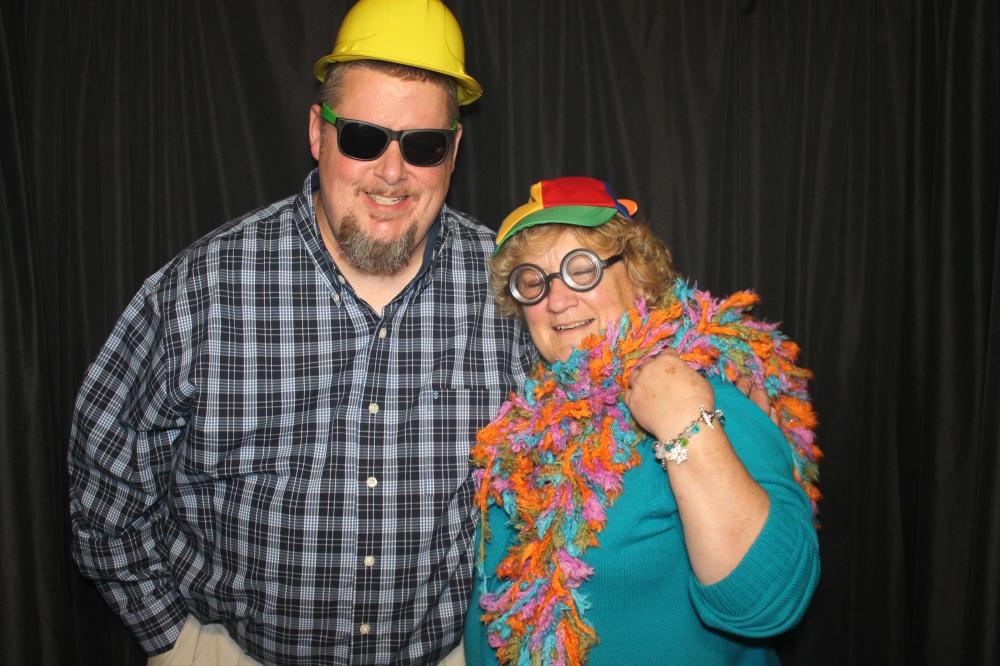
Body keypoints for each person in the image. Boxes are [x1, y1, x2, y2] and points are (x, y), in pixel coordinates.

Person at [68, 1, 533, 664]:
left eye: (423, 146)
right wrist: (181, 643)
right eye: (364, 138)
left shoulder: (513, 289)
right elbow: (103, 487)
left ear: (453, 152)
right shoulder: (204, 289)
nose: (392, 173)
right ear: (319, 132)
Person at [464, 177, 821, 665]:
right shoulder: (526, 428)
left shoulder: (708, 393)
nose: (556, 300)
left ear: (637, 274)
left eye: (582, 269)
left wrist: (685, 423)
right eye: (533, 281)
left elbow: (770, 600)